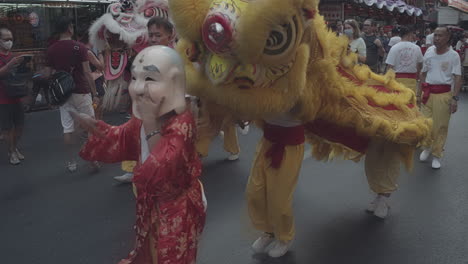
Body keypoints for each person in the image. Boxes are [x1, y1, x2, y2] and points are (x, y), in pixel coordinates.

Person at [78, 45, 206, 264]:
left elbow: (162, 166)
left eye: (149, 78)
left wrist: (149, 120)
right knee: (150, 252)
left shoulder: (181, 120)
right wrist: (95, 127)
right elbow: (121, 137)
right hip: (151, 204)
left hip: (177, 208)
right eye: (135, 78)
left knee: (173, 257)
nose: (138, 87)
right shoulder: (145, 111)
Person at [114, 16, 176, 183]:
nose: (154, 39)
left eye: (158, 35)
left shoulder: (175, 59)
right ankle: (138, 176)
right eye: (151, 35)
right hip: (145, 116)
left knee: (164, 162)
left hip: (167, 119)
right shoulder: (145, 56)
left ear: (170, 36)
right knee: (144, 152)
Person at [41, 17, 99, 172]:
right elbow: (87, 73)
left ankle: (71, 161)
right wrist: (96, 93)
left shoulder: (51, 50)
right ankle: (92, 159)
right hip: (81, 90)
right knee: (90, 125)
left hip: (63, 94)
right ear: (69, 29)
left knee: (68, 128)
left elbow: (46, 75)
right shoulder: (79, 47)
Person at [419, 27, 462, 169]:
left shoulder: (453, 55)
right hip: (428, 93)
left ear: (448, 38)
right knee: (426, 124)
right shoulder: (429, 52)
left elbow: (457, 77)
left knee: (441, 127)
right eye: (435, 35)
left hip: (444, 94)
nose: (436, 38)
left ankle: (437, 154)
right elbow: (423, 73)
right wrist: (419, 93)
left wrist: (455, 98)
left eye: (440, 36)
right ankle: (426, 147)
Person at [0, 27, 25, 165]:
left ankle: (14, 148)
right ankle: (11, 151)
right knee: (7, 128)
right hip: (3, 98)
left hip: (16, 95)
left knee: (20, 126)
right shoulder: (9, 59)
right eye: (6, 39)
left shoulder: (13, 56)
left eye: (11, 39)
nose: (9, 41)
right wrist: (10, 65)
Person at [385, 26, 423, 94]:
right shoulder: (417, 48)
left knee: (398, 102)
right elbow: (420, 65)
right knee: (410, 102)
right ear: (409, 35)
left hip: (397, 81)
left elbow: (389, 67)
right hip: (412, 80)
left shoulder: (394, 48)